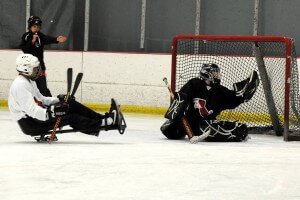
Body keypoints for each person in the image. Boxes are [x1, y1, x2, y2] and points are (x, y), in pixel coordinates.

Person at [8, 54, 125, 141]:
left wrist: (59, 99)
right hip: (32, 124)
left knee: (70, 104)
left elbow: (42, 100)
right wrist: (52, 113)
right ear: (26, 69)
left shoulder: (29, 81)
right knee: (71, 117)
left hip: (37, 118)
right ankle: (105, 123)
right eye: (35, 69)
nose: (38, 71)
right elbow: (32, 110)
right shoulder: (20, 85)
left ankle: (103, 119)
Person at [161, 63, 259, 143]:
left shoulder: (219, 90)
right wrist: (180, 105)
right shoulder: (194, 84)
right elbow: (181, 100)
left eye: (217, 72)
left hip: (207, 124)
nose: (217, 74)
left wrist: (242, 96)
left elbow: (232, 100)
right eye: (214, 72)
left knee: (241, 130)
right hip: (190, 123)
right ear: (207, 73)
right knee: (169, 131)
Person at [20, 16, 67, 97]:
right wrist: (32, 41)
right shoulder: (26, 36)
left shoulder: (40, 36)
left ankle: (50, 104)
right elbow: (24, 49)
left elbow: (47, 39)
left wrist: (57, 39)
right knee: (26, 87)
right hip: (27, 68)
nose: (36, 29)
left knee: (43, 88)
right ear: (30, 26)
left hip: (39, 67)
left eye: (38, 27)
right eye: (34, 26)